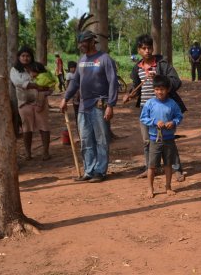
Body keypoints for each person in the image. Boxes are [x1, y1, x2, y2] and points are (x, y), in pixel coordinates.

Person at [60, 30, 119, 183]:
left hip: (100, 105)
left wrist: (111, 105)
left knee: (101, 139)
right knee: (86, 139)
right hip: (83, 106)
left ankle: (100, 171)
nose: (81, 45)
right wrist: (65, 98)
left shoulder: (105, 59)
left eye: (84, 42)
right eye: (80, 43)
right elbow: (75, 82)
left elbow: (113, 82)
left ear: (93, 41)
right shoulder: (81, 60)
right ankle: (89, 170)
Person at [124, 34, 186, 181]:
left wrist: (159, 77)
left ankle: (176, 169)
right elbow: (136, 87)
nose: (147, 51)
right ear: (139, 50)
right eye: (143, 48)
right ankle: (150, 167)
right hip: (147, 109)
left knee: (168, 140)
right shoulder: (137, 68)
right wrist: (130, 94)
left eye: (149, 47)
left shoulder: (162, 65)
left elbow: (176, 82)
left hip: (164, 108)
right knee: (147, 141)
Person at [140, 75, 183, 199]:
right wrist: (154, 122)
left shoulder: (172, 104)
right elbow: (143, 118)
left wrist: (173, 122)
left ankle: (168, 187)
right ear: (154, 90)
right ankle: (150, 188)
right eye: (157, 89)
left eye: (162, 89)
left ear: (168, 89)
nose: (160, 92)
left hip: (169, 139)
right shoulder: (149, 103)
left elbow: (179, 116)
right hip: (154, 139)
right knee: (151, 166)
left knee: (168, 164)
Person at [10, 47, 53, 161]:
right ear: (19, 57)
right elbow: (17, 82)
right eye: (23, 56)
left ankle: (45, 152)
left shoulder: (39, 67)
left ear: (31, 57)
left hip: (41, 101)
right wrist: (35, 86)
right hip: (24, 102)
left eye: (27, 56)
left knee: (44, 126)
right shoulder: (15, 70)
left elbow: (50, 79)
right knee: (26, 128)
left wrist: (47, 91)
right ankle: (28, 153)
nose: (25, 58)